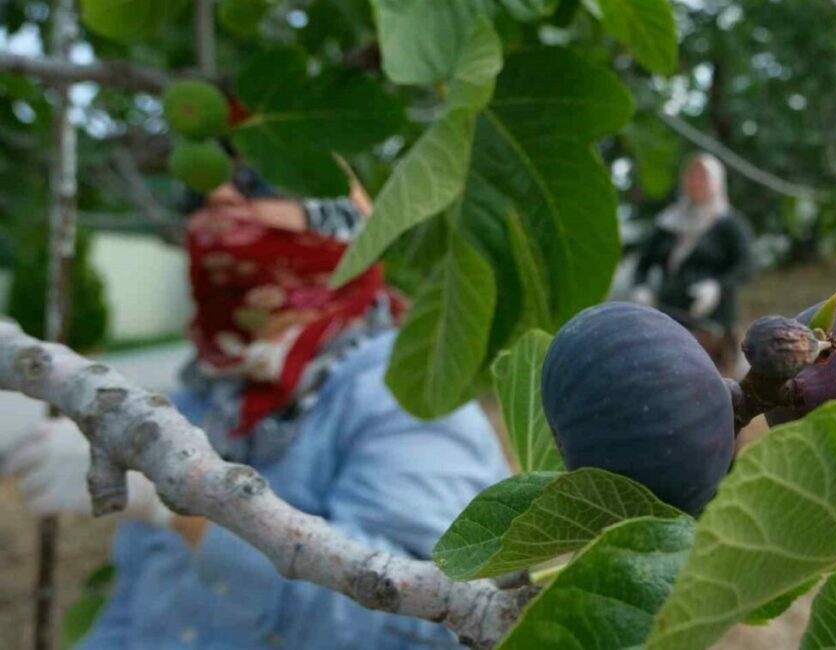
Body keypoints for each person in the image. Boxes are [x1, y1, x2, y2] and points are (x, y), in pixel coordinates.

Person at [2, 161, 511, 649]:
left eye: (261, 180)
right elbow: (138, 610)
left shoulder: (405, 396)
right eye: (197, 193)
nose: (221, 197)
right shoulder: (203, 395)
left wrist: (180, 503)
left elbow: (430, 628)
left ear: (341, 216)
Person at [632, 152, 755, 373]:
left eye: (702, 176)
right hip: (670, 314)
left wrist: (717, 287)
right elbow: (644, 262)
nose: (696, 182)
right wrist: (641, 287)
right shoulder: (668, 223)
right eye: (692, 175)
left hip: (714, 322)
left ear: (716, 181)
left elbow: (746, 265)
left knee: (709, 380)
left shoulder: (729, 224)